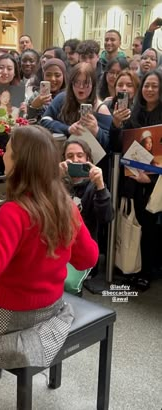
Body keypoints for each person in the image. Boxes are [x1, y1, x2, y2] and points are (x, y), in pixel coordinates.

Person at [0, 125, 98, 386]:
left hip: (8, 318)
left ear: (20, 162)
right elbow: (88, 259)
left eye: (8, 151)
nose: (3, 155)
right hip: (51, 309)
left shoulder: (15, 211)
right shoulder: (65, 204)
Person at [109, 69, 162, 285]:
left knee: (151, 228)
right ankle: (131, 266)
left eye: (154, 86)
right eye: (146, 86)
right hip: (132, 178)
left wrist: (151, 178)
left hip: (156, 182)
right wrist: (116, 125)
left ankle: (147, 271)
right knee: (133, 223)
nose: (149, 90)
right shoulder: (132, 113)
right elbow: (116, 147)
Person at [40, 62, 112, 151]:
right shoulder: (62, 98)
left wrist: (96, 131)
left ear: (93, 85)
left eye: (86, 83)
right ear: (71, 84)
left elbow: (111, 145)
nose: (81, 87)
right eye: (77, 82)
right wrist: (68, 129)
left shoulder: (101, 109)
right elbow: (44, 121)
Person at [60, 138, 114, 241]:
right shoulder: (57, 183)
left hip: (86, 246)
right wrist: (53, 178)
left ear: (87, 159)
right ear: (64, 159)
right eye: (70, 156)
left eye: (80, 155)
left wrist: (100, 186)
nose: (75, 160)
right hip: (61, 246)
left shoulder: (95, 185)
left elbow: (106, 217)